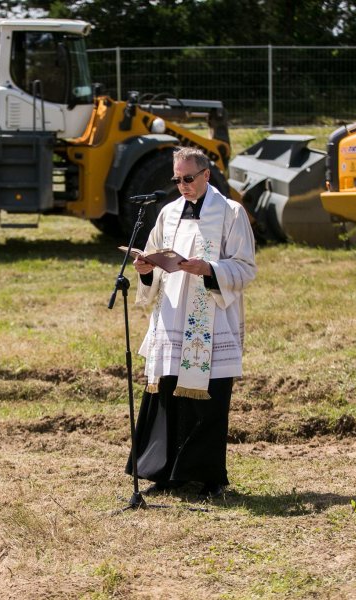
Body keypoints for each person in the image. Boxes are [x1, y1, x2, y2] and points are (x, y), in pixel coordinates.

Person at [125, 147, 257, 497]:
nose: (182, 185)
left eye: (188, 178)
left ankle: (206, 477)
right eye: (177, 179)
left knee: (207, 400)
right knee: (167, 393)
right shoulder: (168, 214)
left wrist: (210, 269)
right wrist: (145, 268)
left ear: (206, 175)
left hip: (211, 321)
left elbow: (246, 267)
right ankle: (165, 474)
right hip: (171, 317)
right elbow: (153, 254)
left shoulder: (230, 213)